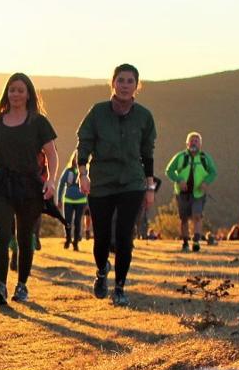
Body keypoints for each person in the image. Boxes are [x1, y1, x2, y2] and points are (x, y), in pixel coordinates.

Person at [74, 64, 156, 307]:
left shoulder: (144, 116)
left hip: (132, 182)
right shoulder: (98, 112)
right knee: (100, 237)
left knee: (124, 236)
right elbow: (84, 142)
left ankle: (119, 286)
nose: (125, 85)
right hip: (101, 182)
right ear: (113, 83)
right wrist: (82, 173)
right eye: (121, 80)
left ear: (136, 86)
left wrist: (149, 186)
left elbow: (147, 152)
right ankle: (101, 272)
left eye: (130, 81)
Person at [0, 73, 58, 306]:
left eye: (20, 90)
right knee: (2, 234)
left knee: (24, 236)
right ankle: (1, 286)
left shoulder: (38, 122)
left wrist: (51, 180)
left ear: (28, 94)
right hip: (1, 183)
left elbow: (51, 153)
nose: (16, 94)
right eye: (12, 90)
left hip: (29, 185)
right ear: (6, 93)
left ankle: (22, 286)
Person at [165, 131, 218, 252]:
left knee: (197, 216)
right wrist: (179, 180)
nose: (194, 143)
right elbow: (169, 171)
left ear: (200, 144)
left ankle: (196, 241)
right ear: (187, 143)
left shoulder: (205, 158)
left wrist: (206, 182)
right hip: (182, 194)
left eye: (196, 141)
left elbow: (213, 172)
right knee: (183, 219)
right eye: (192, 140)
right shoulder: (180, 156)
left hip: (198, 193)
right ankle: (185, 243)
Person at [57, 152, 88, 250]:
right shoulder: (68, 171)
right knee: (68, 221)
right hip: (68, 200)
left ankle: (76, 242)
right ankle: (68, 239)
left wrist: (88, 202)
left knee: (77, 222)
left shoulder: (85, 172)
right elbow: (61, 184)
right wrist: (59, 199)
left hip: (81, 201)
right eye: (76, 158)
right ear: (73, 159)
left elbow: (89, 187)